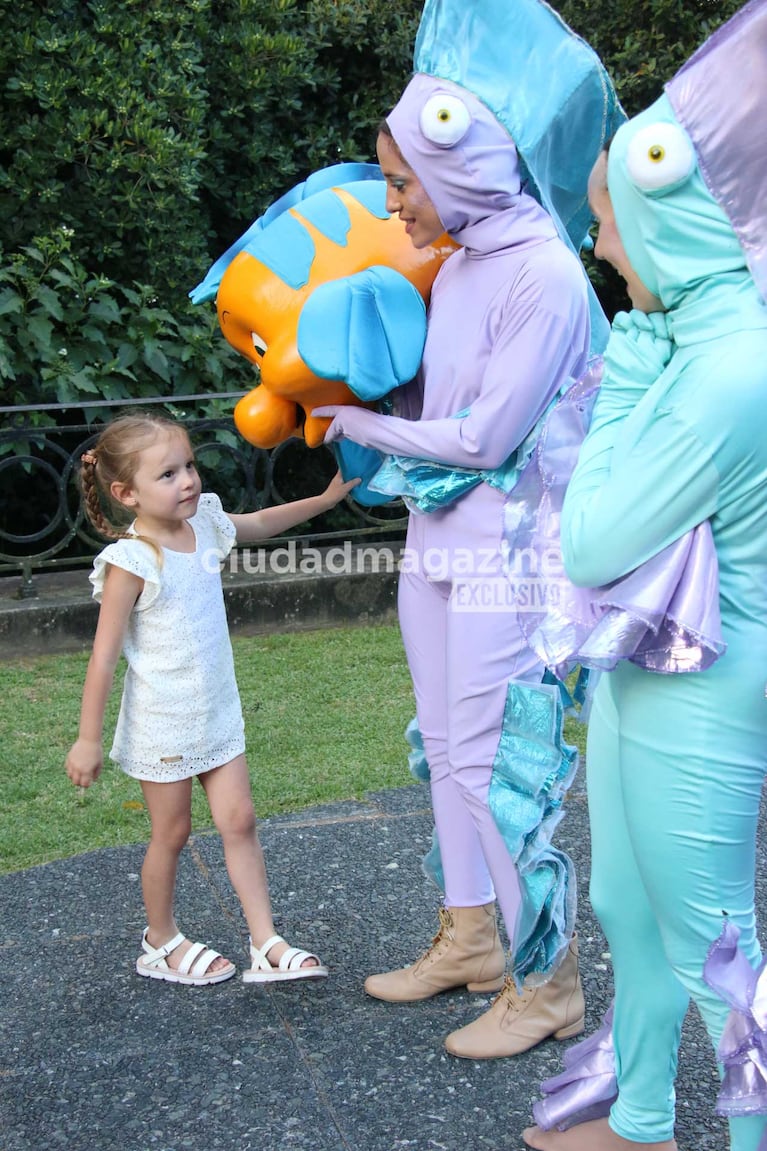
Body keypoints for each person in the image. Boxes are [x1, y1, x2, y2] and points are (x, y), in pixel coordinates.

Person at [522, 11, 767, 1147]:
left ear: (665, 215)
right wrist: (638, 357)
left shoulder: (729, 367)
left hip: (704, 680)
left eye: (608, 221)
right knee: (627, 902)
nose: (601, 248)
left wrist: (622, 379)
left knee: (716, 944)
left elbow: (589, 544)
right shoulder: (690, 340)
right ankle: (635, 1116)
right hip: (647, 665)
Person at [314, 70, 594, 1059]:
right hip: (434, 542)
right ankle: (470, 936)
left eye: (401, 182)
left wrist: (363, 426)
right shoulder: (463, 262)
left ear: (460, 167)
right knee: (443, 748)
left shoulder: (543, 274)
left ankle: (547, 982)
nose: (391, 204)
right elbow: (441, 413)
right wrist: (375, 402)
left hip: (506, 558)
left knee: (487, 763)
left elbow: (483, 438)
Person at [65, 412, 359, 986]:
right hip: (164, 724)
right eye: (168, 474)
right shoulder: (131, 562)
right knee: (172, 834)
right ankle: (160, 940)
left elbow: (260, 522)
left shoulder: (204, 521)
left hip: (217, 713)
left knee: (240, 820)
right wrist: (86, 739)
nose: (188, 481)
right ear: (126, 494)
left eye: (189, 466)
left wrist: (324, 501)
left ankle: (265, 941)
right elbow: (102, 658)